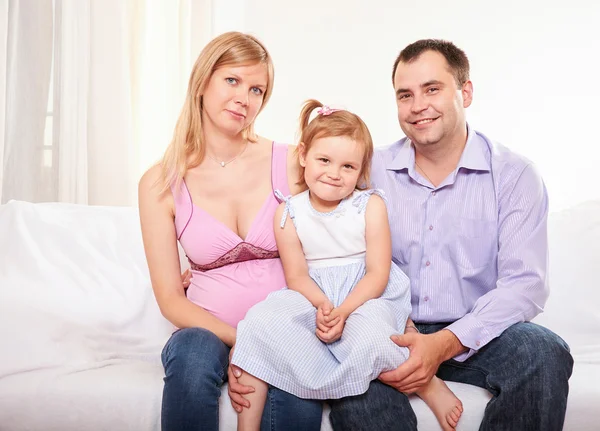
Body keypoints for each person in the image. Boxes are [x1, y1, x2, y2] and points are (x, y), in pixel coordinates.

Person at [327, 39, 574, 430]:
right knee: (353, 380)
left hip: (476, 333)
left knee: (543, 351)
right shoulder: (369, 171)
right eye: (404, 95)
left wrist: (443, 344)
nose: (417, 106)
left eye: (432, 89)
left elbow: (524, 286)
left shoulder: (514, 175)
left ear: (466, 92)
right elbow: (316, 212)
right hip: (390, 329)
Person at [230, 99, 464, 431]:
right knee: (257, 322)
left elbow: (378, 273)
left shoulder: (369, 205)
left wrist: (345, 311)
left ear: (361, 171)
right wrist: (325, 307)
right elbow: (296, 275)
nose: (334, 174)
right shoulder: (288, 213)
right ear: (303, 157)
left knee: (368, 333)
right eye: (324, 160)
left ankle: (428, 384)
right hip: (314, 293)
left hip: (365, 292)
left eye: (348, 167)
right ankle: (247, 426)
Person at [138, 32, 322, 431]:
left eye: (257, 89)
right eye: (232, 81)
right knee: (190, 355)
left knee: (297, 378)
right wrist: (242, 340)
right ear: (203, 82)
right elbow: (171, 299)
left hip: (286, 327)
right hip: (209, 330)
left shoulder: (292, 162)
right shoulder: (160, 183)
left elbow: (343, 228)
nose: (245, 97)